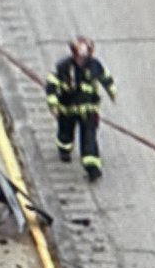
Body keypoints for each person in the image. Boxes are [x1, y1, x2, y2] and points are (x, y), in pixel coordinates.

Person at [45, 36, 117, 181]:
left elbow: (105, 77)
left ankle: (92, 168)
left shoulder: (95, 65)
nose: (82, 59)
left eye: (85, 55)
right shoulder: (64, 67)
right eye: (79, 55)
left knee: (89, 138)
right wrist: (53, 105)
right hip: (68, 109)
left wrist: (111, 90)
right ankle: (64, 149)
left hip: (88, 111)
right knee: (65, 132)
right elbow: (51, 85)